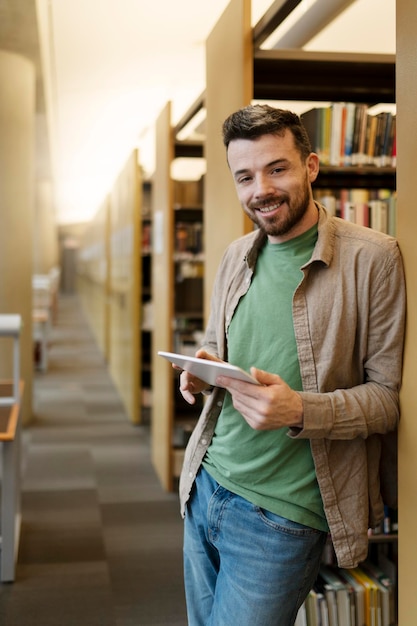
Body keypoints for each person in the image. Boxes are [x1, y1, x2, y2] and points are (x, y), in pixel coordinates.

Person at [177, 104, 406, 626]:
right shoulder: (236, 255)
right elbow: (217, 342)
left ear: (311, 166)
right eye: (245, 176)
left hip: (282, 515)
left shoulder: (373, 258)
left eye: (276, 168)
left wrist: (299, 409)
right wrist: (205, 367)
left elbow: (387, 400)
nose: (261, 189)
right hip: (206, 484)